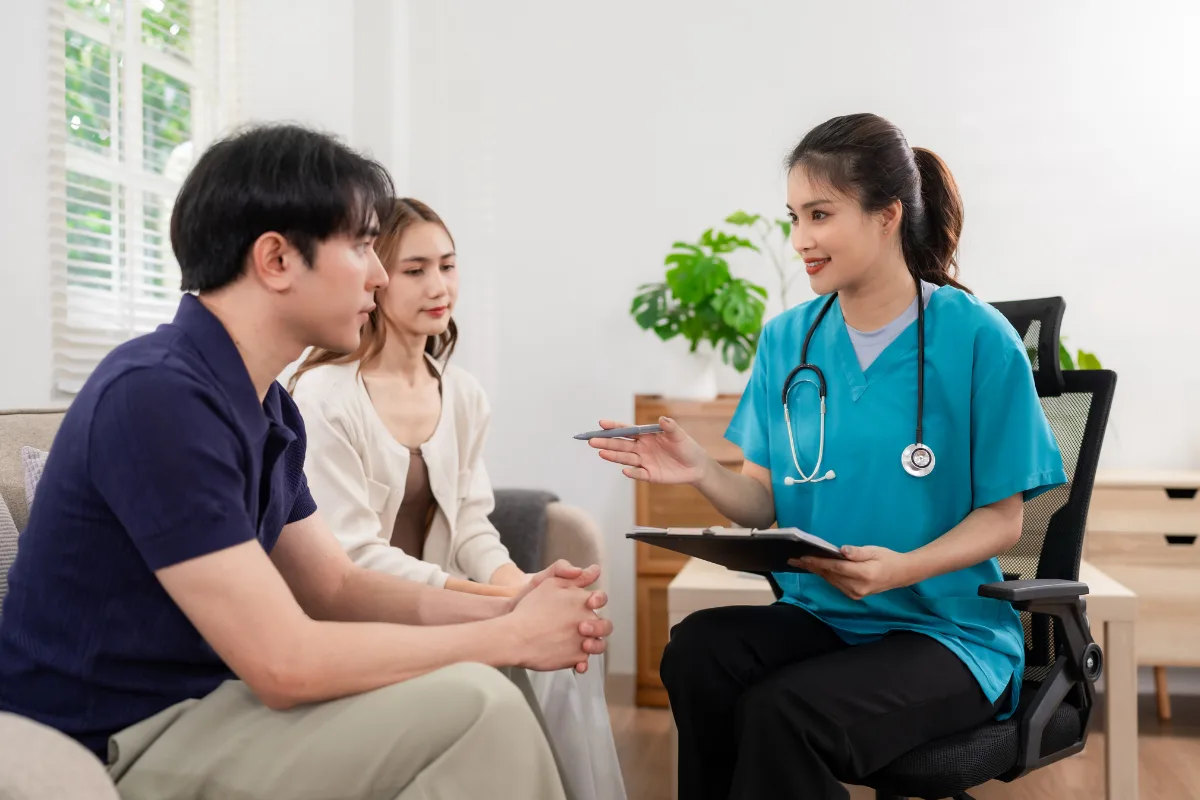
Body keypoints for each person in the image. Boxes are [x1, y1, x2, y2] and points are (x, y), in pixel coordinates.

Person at [0, 123, 613, 800]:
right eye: (361, 247)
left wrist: (508, 608)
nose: (379, 276)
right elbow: (284, 662)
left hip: (203, 710)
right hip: (111, 740)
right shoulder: (156, 395)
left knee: (477, 689)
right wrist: (508, 638)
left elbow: (336, 589)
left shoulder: (267, 410)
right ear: (276, 260)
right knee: (477, 705)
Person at [589, 113, 1067, 800]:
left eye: (819, 214)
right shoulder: (788, 340)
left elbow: (1003, 522)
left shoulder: (978, 339)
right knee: (698, 653)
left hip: (948, 636)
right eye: (792, 217)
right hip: (826, 617)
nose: (799, 241)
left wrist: (900, 569)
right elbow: (765, 502)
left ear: (887, 216)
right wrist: (700, 470)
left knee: (781, 713)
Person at [287, 197, 628, 800]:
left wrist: (524, 586)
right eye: (415, 269)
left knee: (566, 642)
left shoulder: (463, 394)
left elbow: (473, 531)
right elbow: (353, 560)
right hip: (355, 622)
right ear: (375, 277)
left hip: (434, 612)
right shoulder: (322, 395)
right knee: (522, 653)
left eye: (447, 265)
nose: (438, 285)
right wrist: (508, 601)